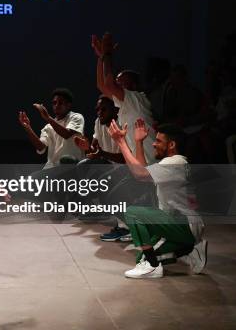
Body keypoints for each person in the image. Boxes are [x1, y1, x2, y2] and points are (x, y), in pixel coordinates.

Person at [108, 120, 207, 279]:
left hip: (183, 224)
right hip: (183, 224)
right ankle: (189, 249)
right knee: (141, 257)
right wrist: (139, 142)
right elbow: (143, 173)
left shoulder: (175, 163)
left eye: (158, 141)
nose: (154, 144)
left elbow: (139, 173)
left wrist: (121, 141)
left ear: (172, 144)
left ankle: (153, 266)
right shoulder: (176, 162)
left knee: (133, 213)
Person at [92, 32, 157, 164]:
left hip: (151, 165)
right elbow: (101, 85)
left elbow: (109, 84)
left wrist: (108, 54)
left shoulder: (137, 100)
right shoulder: (125, 105)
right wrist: (101, 57)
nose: (117, 85)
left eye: (121, 83)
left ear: (133, 85)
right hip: (140, 167)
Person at [18, 88, 85, 168]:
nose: (56, 105)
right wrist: (28, 128)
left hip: (73, 168)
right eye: (54, 103)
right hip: (52, 169)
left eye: (60, 103)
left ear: (68, 105)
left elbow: (67, 134)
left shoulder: (76, 117)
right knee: (28, 179)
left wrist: (48, 118)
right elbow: (41, 147)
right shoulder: (48, 127)